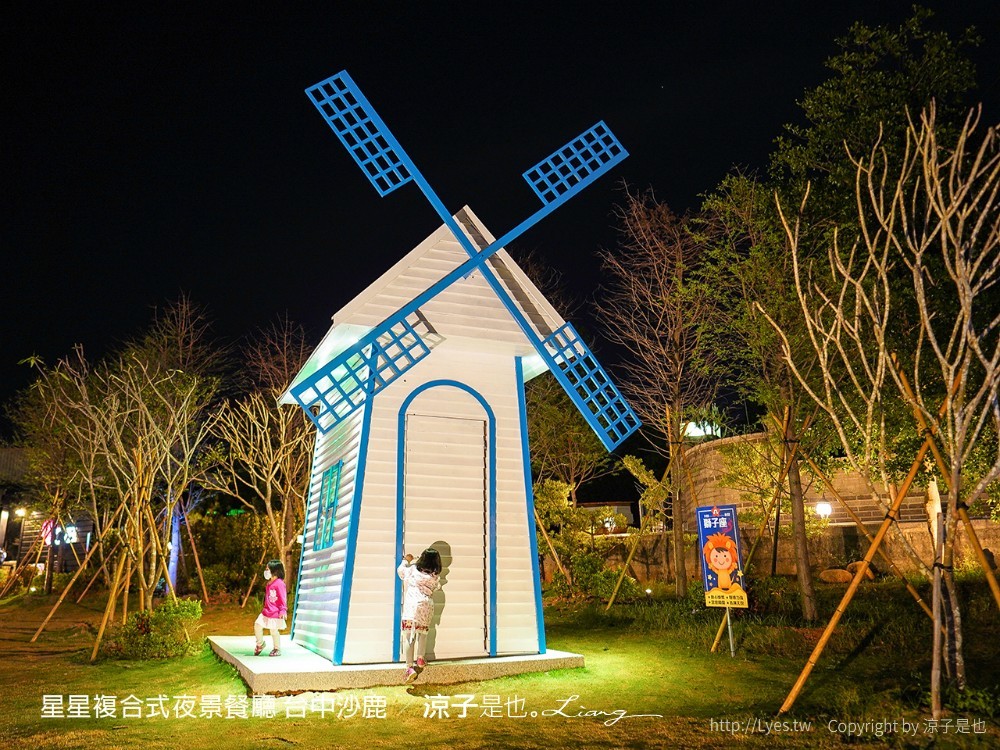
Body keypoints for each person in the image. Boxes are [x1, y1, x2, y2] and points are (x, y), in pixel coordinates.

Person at [397, 547, 441, 682]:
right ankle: (421, 658)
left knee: (409, 637)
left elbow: (401, 572)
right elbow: (437, 587)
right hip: (426, 607)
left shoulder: (412, 571)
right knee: (422, 634)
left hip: (412, 608)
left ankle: (409, 667)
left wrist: (406, 560)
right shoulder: (434, 577)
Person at [254, 560, 287, 657]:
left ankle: (277, 648)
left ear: (275, 570)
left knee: (273, 631)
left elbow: (282, 597)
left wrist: (283, 610)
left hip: (275, 612)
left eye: (267, 569)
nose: (266, 571)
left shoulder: (279, 583)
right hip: (266, 611)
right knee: (257, 625)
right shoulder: (269, 584)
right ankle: (260, 644)